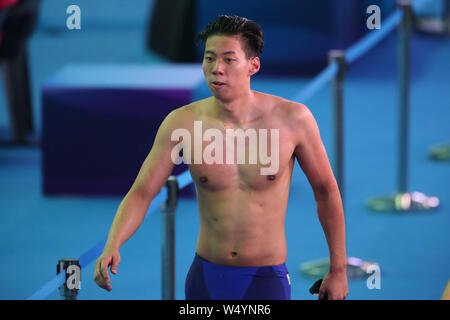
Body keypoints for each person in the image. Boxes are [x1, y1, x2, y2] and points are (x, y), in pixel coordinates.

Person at [94, 15, 349, 300]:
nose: (217, 69)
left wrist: (338, 270)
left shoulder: (293, 119)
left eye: (229, 60)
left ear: (253, 65)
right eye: (209, 58)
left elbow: (326, 191)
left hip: (265, 279)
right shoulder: (182, 123)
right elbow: (142, 192)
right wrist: (113, 243)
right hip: (206, 278)